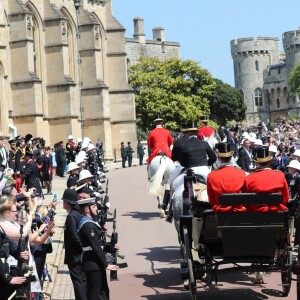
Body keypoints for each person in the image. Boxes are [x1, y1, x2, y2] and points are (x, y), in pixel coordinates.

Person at [77, 197, 118, 300]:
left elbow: (99, 244)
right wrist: (106, 264)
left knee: (103, 293)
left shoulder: (91, 223)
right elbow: (95, 246)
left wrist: (110, 247)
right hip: (92, 264)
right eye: (94, 206)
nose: (96, 209)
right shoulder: (87, 225)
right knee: (95, 295)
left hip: (96, 262)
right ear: (87, 209)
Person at [244, 146, 289, 212]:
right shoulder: (280, 175)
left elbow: (246, 200)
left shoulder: (249, 178)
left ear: (257, 163)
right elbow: (286, 198)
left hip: (256, 215)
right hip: (277, 215)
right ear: (269, 162)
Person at [207, 143, 246, 212]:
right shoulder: (241, 173)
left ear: (218, 158)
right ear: (231, 157)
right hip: (239, 213)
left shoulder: (211, 176)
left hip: (220, 214)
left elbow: (211, 200)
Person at [62, 188, 86, 300]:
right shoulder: (77, 213)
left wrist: (81, 248)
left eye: (64, 201)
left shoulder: (71, 216)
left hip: (74, 255)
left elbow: (74, 236)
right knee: (81, 280)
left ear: (67, 203)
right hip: (78, 254)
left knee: (78, 282)